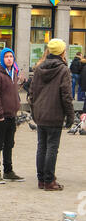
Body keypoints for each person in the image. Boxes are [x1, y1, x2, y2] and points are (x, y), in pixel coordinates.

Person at [29, 38, 74, 191]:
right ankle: (49, 180)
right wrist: (70, 115)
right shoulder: (63, 70)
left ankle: (41, 179)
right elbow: (66, 95)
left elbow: (32, 92)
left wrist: (34, 111)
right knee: (52, 147)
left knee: (41, 147)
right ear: (62, 52)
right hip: (55, 113)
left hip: (41, 113)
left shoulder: (39, 68)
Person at [0, 48, 24, 184]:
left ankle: (8, 171)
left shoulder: (14, 73)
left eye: (11, 56)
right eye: (6, 57)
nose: (9, 59)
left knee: (9, 144)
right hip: (0, 116)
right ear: (2, 59)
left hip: (11, 115)